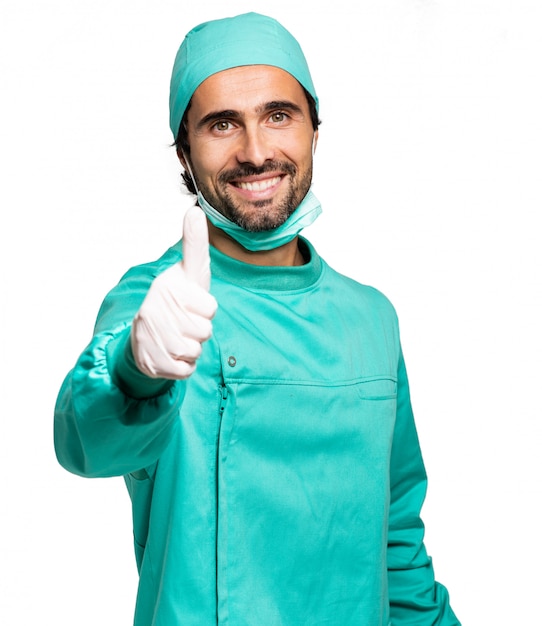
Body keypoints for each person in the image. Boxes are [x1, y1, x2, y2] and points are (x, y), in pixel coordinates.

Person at [54, 12, 461, 626]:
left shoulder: (372, 319)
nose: (255, 152)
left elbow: (397, 541)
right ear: (184, 153)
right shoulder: (160, 303)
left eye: (278, 115)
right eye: (222, 125)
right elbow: (87, 440)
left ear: (314, 130)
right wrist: (133, 366)